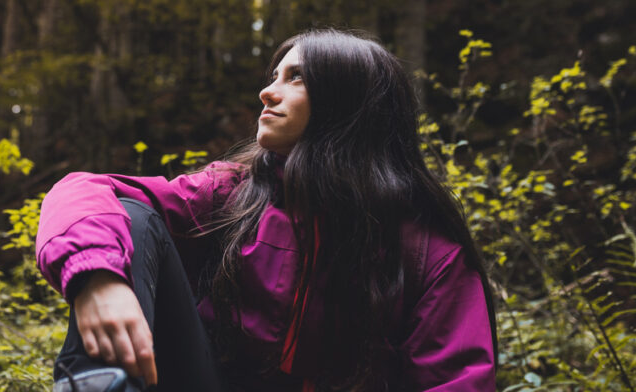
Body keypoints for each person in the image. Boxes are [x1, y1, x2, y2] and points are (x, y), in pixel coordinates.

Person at [37, 29, 497, 392]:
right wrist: (98, 278)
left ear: (349, 102)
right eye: (273, 76)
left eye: (295, 77)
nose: (267, 92)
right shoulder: (233, 194)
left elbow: (456, 382)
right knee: (134, 215)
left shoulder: (427, 251)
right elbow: (83, 189)